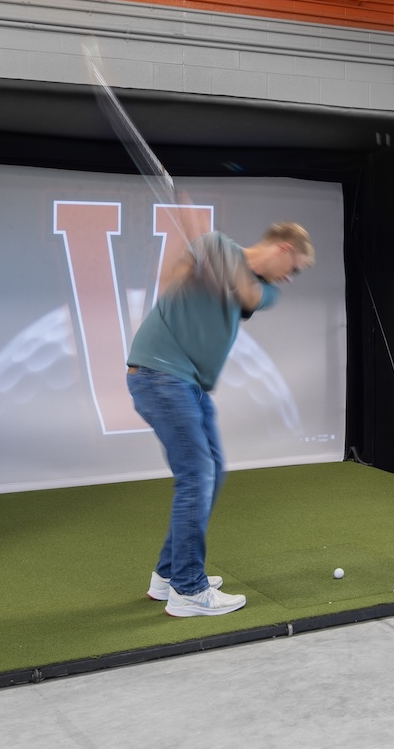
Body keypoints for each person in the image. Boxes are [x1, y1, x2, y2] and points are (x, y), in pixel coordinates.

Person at [125, 220, 315, 616]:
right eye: (294, 268)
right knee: (197, 475)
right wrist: (196, 264)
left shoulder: (266, 290)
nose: (290, 278)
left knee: (211, 472)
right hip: (160, 375)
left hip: (189, 385)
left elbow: (247, 293)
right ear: (283, 248)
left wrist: (217, 263)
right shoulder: (215, 244)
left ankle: (168, 576)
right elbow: (171, 284)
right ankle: (189, 590)